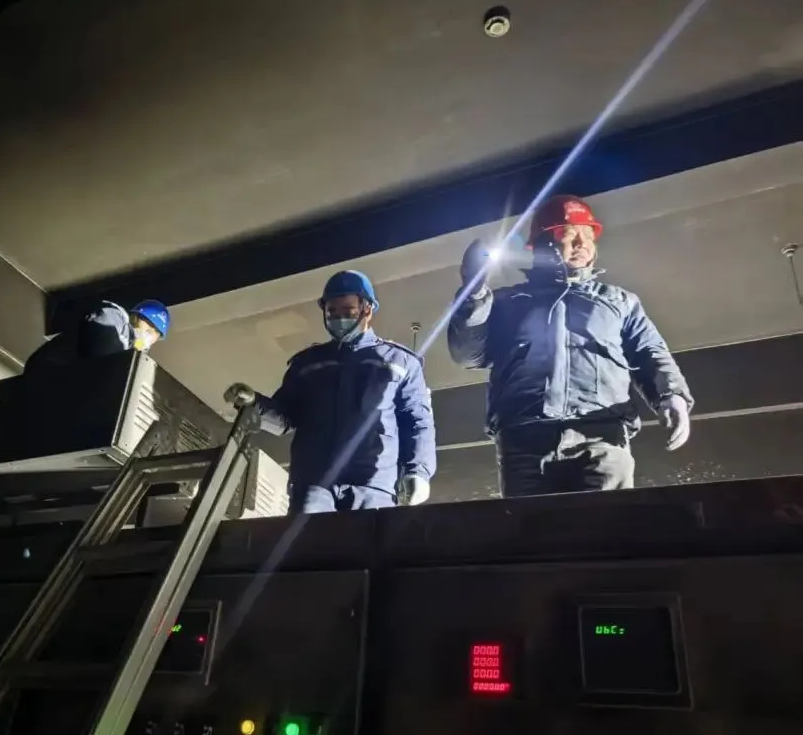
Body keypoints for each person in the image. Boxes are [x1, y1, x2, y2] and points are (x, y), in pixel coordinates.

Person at [447, 194, 693, 498]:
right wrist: (472, 296)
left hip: (601, 436)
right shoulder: (506, 303)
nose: (581, 243)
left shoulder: (619, 302)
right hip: (525, 438)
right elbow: (468, 355)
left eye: (588, 236)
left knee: (606, 526)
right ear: (543, 243)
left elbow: (649, 352)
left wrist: (671, 395)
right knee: (529, 527)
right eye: (569, 234)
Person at [224, 270, 436, 513]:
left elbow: (417, 421)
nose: (338, 317)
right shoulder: (308, 364)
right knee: (308, 540)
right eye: (332, 311)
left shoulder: (400, 362)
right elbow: (285, 418)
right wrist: (253, 403)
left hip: (373, 487)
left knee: (368, 540)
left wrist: (418, 471)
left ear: (367, 309)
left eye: (348, 310)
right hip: (313, 485)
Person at [24, 299, 170, 374]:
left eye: (155, 333)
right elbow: (100, 350)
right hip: (48, 370)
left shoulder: (131, 352)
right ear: (135, 317)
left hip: (62, 385)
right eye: (149, 324)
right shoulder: (116, 317)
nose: (149, 334)